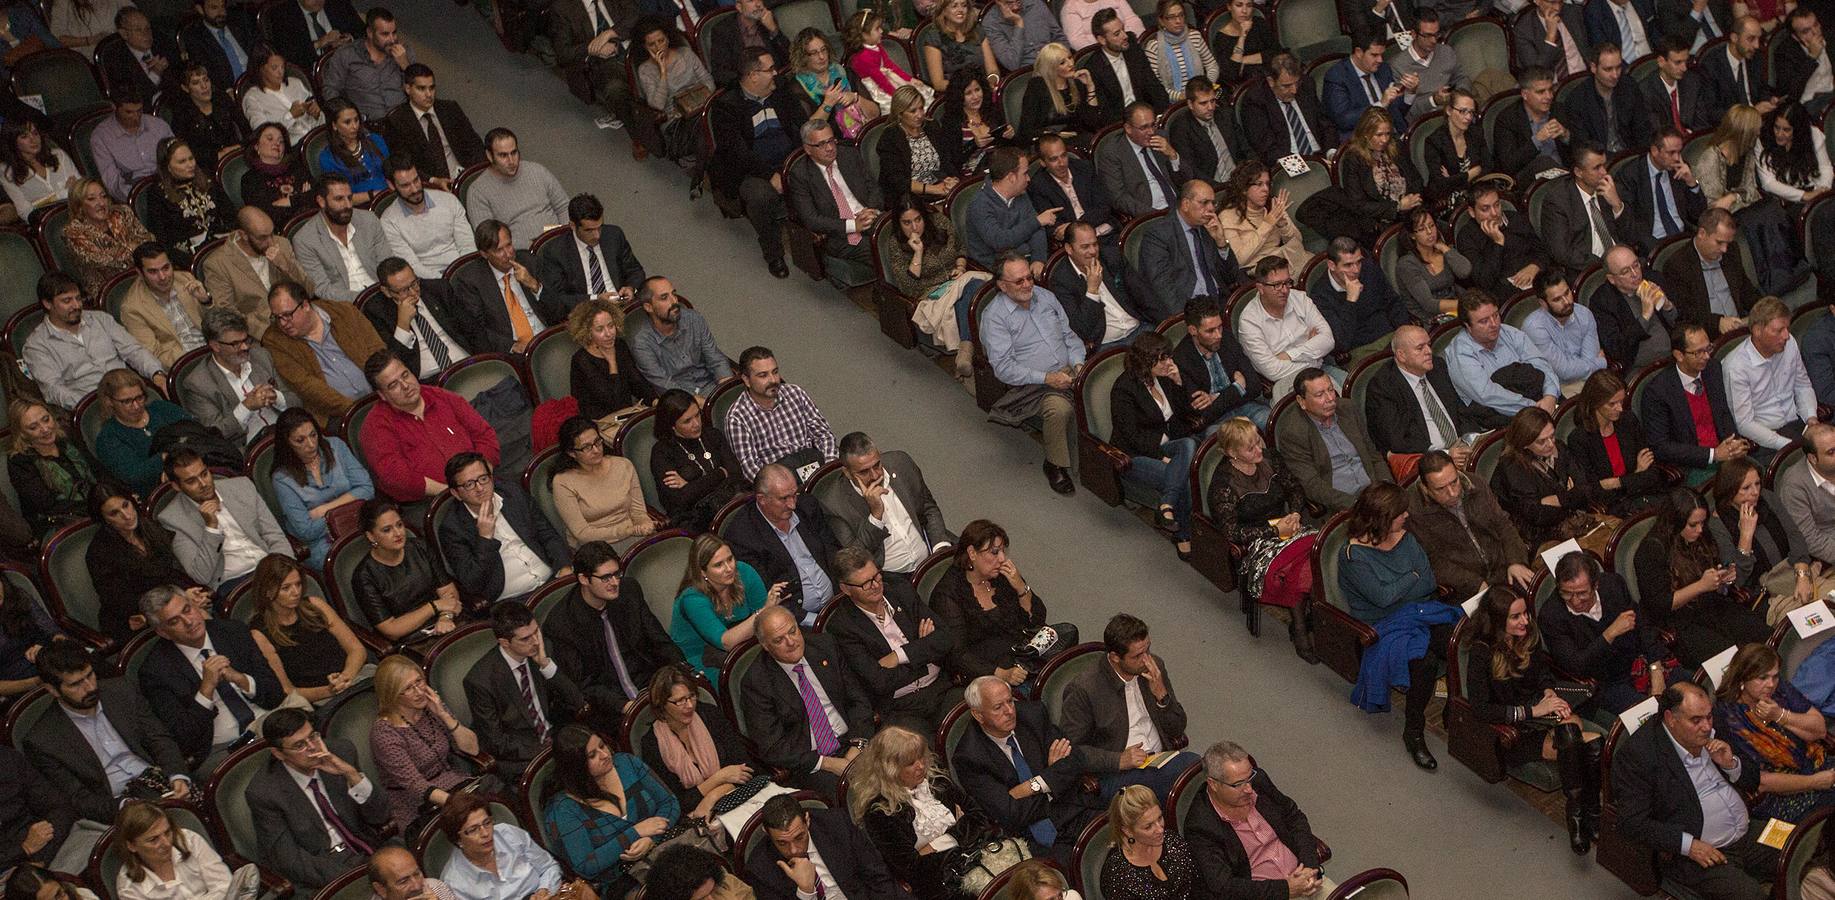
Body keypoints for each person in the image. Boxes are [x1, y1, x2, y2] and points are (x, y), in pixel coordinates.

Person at [1466, 587, 1604, 853]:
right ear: (1497, 621)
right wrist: (1532, 712)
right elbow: (1481, 709)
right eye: (1515, 617)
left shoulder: (1528, 635)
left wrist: (1549, 692)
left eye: (1525, 613)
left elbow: (1543, 673)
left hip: (1541, 713)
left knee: (1573, 737)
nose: (1525, 621)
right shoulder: (1481, 652)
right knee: (1589, 743)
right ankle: (1586, 815)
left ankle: (1581, 815)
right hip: (1513, 730)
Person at [1611, 682, 1774, 900]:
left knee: (1801, 844)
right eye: (1696, 720)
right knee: (1751, 895)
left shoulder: (1712, 725)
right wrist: (1689, 846)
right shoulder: (1640, 755)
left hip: (1746, 830)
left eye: (1708, 717)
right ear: (1671, 719)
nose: (1706, 727)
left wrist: (1731, 764)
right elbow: (1631, 822)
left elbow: (1753, 779)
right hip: (1701, 853)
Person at [1340, 481, 1459, 769]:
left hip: (1419, 611)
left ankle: (1455, 709)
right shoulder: (1354, 556)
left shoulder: (1405, 536)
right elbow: (1382, 599)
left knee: (1459, 639)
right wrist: (1412, 576)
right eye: (1400, 513)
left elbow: (1428, 580)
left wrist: (1407, 582)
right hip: (1384, 626)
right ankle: (1414, 732)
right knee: (1425, 663)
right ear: (1381, 518)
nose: (1406, 516)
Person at [27, 640, 192, 836]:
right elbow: (79, 799)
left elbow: (159, 739)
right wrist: (126, 806)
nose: (89, 687)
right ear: (53, 690)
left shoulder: (121, 691)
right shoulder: (42, 740)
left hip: (159, 781)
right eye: (76, 684)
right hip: (117, 807)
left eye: (90, 675)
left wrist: (177, 775)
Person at [952, 675, 1101, 865]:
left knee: (1125, 830)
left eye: (1010, 701)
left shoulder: (1033, 715)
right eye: (998, 707)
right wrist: (1052, 778)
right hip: (1030, 837)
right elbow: (1011, 814)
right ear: (978, 715)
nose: (1009, 711)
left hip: (1072, 810)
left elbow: (1075, 760)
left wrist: (1032, 786)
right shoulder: (970, 757)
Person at [246, 708, 389, 892]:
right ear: (278, 753)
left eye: (312, 736)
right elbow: (290, 861)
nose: (313, 747)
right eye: (299, 745)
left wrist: (352, 775)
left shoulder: (340, 752)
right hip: (321, 870)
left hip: (368, 848)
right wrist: (352, 877)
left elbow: (381, 816)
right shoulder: (264, 792)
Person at [740, 604, 875, 794]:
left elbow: (858, 700)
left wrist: (857, 746)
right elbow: (773, 747)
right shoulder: (757, 682)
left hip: (852, 740)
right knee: (858, 793)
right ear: (765, 646)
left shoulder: (824, 646)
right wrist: (828, 763)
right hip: (811, 763)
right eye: (779, 640)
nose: (791, 642)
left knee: (900, 766)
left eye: (793, 631)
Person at [981, 253, 1085, 494]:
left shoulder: (1046, 297)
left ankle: (1094, 462)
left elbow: (1069, 337)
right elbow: (1004, 368)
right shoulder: (994, 317)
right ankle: (1054, 463)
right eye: (1019, 281)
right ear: (1002, 286)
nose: (1028, 285)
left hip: (1069, 369)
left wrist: (1079, 364)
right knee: (1059, 409)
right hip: (1033, 383)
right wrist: (1048, 378)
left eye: (1029, 278)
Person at [1060, 614, 1194, 798]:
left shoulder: (1154, 668)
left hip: (1161, 759)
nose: (1147, 659)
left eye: (1148, 649)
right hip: (1117, 773)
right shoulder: (1084, 689)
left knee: (1202, 772)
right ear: (1115, 657)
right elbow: (1072, 751)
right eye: (1138, 656)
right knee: (1183, 782)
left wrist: (1162, 695)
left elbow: (1177, 727)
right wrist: (1119, 760)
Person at [540, 724, 679, 898]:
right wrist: (635, 832)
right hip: (623, 882)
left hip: (666, 850)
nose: (605, 755)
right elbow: (586, 865)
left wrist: (651, 838)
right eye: (592, 755)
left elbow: (670, 802)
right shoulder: (564, 808)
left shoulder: (627, 763)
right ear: (576, 766)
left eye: (602, 746)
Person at [1635, 488, 1772, 665]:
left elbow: (1713, 571)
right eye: (1693, 525)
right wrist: (1700, 586)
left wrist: (1722, 578)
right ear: (1675, 522)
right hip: (1682, 622)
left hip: (1712, 604)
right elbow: (1660, 604)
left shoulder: (1701, 534)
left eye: (1702, 523)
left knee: (1763, 637)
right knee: (1734, 664)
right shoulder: (1651, 550)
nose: (1700, 529)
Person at [825, 548, 956, 731]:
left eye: (877, 577)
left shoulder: (900, 591)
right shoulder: (843, 627)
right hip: (901, 708)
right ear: (846, 589)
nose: (876, 585)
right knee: (918, 754)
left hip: (941, 688)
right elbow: (879, 681)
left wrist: (898, 656)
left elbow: (945, 637)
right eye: (865, 584)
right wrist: (924, 653)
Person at [546, 540, 683, 714]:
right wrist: (623, 706)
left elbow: (659, 641)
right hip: (610, 706)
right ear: (583, 579)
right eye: (605, 577)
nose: (614, 582)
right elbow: (584, 685)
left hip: (652, 685)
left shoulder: (629, 591)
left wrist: (682, 672)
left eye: (617, 574)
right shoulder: (562, 624)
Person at [1182, 740, 1331, 898]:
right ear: (1213, 784)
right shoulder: (1200, 826)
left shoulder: (1258, 781)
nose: (1249, 789)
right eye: (1238, 784)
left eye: (1249, 777)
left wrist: (1309, 866)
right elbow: (1224, 886)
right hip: (1265, 894)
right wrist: (1286, 889)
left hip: (1306, 878)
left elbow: (1294, 817)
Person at [707, 49, 810, 279]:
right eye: (770, 69)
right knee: (759, 196)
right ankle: (773, 253)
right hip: (752, 171)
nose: (776, 73)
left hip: (790, 159)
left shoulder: (781, 88)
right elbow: (737, 154)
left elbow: (801, 125)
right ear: (753, 76)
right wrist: (770, 174)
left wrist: (791, 165)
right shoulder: (726, 107)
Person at [1208, 417, 1318, 627]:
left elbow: (1294, 487)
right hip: (1256, 543)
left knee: (1315, 555)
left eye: (1258, 441)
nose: (1259, 449)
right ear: (1233, 453)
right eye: (1251, 448)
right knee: (1301, 567)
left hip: (1289, 527)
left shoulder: (1270, 459)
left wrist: (1294, 513)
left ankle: (1303, 621)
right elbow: (1231, 532)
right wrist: (1273, 530)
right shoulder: (1224, 484)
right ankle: (1301, 625)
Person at [1538, 549, 1672, 717]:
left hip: (1640, 661)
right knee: (1655, 716)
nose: (1574, 601)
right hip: (1607, 683)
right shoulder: (1551, 616)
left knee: (1690, 692)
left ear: (1596, 585)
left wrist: (1655, 668)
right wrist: (1609, 634)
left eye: (1582, 593)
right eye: (1566, 593)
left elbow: (1642, 625)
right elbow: (1577, 665)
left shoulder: (1613, 585)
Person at [847, 726, 974, 900]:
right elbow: (914, 868)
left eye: (921, 757)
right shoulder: (880, 813)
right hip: (939, 886)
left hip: (974, 857)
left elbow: (978, 815)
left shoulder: (937, 779)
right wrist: (960, 830)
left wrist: (932, 846)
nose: (921, 766)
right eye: (910, 763)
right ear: (890, 769)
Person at [931, 520, 1065, 685]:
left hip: (1021, 648)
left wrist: (1021, 588)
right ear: (972, 553)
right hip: (987, 665)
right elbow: (958, 655)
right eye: (994, 552)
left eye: (1003, 551)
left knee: (1065, 633)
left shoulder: (1003, 576)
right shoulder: (948, 595)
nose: (1002, 558)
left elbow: (1036, 621)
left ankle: (1031, 670)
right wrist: (1003, 674)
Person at [1714, 643, 1835, 824]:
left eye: (1775, 676)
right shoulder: (1725, 718)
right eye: (1762, 678)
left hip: (1819, 764)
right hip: (1781, 795)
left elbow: (1819, 730)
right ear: (1742, 679)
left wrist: (1780, 715)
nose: (1770, 684)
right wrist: (1815, 781)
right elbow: (1761, 781)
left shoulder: (1779, 691)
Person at [464, 602, 586, 779]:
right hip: (520, 756)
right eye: (525, 638)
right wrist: (547, 749)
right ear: (504, 642)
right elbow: (496, 742)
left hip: (556, 737)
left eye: (536, 632)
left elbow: (577, 702)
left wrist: (545, 665)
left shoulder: (544, 649)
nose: (536, 642)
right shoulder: (480, 681)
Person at [819, 432, 955, 587]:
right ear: (847, 473)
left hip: (931, 555)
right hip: (890, 580)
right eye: (863, 472)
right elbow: (854, 560)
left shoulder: (901, 463)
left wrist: (940, 546)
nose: (875, 475)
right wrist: (875, 516)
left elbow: (927, 507)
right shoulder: (833, 504)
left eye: (877, 465)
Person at [369, 654, 485, 835]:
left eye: (419, 682)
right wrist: (461, 805)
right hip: (417, 806)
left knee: (498, 794)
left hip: (455, 783)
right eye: (408, 688)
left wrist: (443, 714)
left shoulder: (431, 707)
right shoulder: (384, 734)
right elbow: (417, 786)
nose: (419, 691)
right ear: (392, 695)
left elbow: (472, 748)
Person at [359, 353, 498, 502]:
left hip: (484, 485)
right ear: (382, 395)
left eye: (405, 375)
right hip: (431, 503)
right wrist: (454, 494)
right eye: (394, 385)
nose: (405, 386)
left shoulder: (442, 397)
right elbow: (395, 476)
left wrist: (482, 480)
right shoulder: (375, 427)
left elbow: (485, 436)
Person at [438, 453, 571, 606]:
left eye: (483, 479)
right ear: (456, 493)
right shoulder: (452, 529)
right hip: (513, 602)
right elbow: (473, 583)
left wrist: (564, 567)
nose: (480, 488)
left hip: (553, 580)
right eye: (469, 484)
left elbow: (546, 533)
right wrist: (485, 538)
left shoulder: (513, 494)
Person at [1366, 323, 1502, 470]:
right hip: (1428, 461)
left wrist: (1468, 440)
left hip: (1461, 448)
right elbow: (1398, 441)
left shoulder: (1437, 367)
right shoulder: (1383, 386)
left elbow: (1460, 409)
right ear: (1401, 355)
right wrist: (1445, 454)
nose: (1429, 351)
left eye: (1429, 345)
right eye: (1420, 348)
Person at [25, 273, 166, 411]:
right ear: (47, 303)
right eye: (67, 301)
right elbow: (53, 390)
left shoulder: (101, 319)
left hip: (131, 393)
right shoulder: (37, 345)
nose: (76, 305)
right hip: (92, 405)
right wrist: (89, 406)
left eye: (78, 298)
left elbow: (134, 351)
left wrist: (156, 373)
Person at [1406, 449, 1535, 600]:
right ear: (1425, 488)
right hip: (1464, 586)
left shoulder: (1476, 484)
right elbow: (1432, 562)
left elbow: (1503, 525)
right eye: (1441, 489)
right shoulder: (1414, 512)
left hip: (1503, 567)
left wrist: (1516, 561)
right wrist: (1474, 583)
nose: (1452, 493)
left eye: (1454, 482)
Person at [158, 449, 294, 592]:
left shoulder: (241, 486)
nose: (203, 484)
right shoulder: (172, 519)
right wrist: (211, 528)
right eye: (191, 481)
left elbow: (274, 535)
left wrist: (285, 569)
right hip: (234, 583)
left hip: (272, 567)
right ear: (176, 486)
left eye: (204, 474)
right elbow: (201, 576)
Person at [1109, 334, 1197, 554]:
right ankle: (1183, 535)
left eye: (1168, 356)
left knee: (1188, 443)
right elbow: (1131, 435)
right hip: (1134, 454)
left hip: (1169, 444)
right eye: (1161, 359)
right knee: (1182, 479)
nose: (1169, 363)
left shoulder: (1165, 378)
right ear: (1145, 361)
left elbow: (1186, 414)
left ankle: (1166, 505)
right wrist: (1161, 456)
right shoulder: (1124, 389)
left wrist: (1178, 383)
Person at [723, 464, 841, 626]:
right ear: (762, 499)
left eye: (794, 495)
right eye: (784, 498)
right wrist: (818, 622)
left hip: (837, 603)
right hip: (794, 620)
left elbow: (833, 552)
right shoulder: (742, 537)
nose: (792, 505)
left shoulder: (806, 507)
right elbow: (766, 595)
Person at [637, 664, 758, 819]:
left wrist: (712, 796)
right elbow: (675, 803)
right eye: (679, 701)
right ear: (662, 704)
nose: (689, 706)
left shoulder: (709, 714)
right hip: (696, 816)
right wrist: (719, 777)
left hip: (736, 796)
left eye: (691, 696)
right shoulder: (651, 744)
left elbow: (746, 768)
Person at [1710, 455, 1829, 613]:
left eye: (1757, 484)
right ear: (1730, 491)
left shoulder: (1767, 498)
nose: (1755, 492)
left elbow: (1795, 535)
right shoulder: (1718, 524)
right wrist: (1746, 536)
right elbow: (1737, 578)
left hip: (1796, 572)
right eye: (1746, 488)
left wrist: (1802, 574)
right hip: (1766, 594)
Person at [247, 554, 367, 706]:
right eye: (286, 588)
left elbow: (356, 649)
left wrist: (345, 677)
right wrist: (331, 690)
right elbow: (287, 690)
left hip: (353, 676)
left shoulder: (315, 605)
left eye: (298, 584)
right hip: (319, 698)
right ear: (268, 591)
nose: (296, 592)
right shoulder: (260, 633)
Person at [85, 483, 199, 642]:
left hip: (168, 603)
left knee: (200, 613)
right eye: (114, 513)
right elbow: (120, 601)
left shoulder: (148, 527)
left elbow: (169, 572)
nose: (127, 515)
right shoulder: (100, 553)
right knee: (193, 623)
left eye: (126, 505)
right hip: (133, 618)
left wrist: (189, 591)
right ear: (105, 520)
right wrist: (179, 598)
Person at [744, 793, 913, 900]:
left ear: (807, 820)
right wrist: (805, 891)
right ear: (766, 832)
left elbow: (877, 874)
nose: (794, 850)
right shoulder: (760, 868)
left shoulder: (836, 824)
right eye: (782, 843)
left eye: (799, 837)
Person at [1639, 322, 1753, 479]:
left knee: (1755, 476)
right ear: (1679, 355)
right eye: (1699, 352)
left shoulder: (1713, 369)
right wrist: (1714, 454)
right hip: (1692, 466)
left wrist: (1734, 442)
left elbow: (1723, 413)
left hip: (1725, 455)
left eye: (1708, 348)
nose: (1707, 356)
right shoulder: (1657, 391)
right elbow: (1661, 446)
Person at [884, 197, 983, 372]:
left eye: (918, 220)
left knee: (979, 289)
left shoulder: (939, 222)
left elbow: (960, 248)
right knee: (974, 289)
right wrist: (918, 253)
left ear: (924, 217)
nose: (914, 227)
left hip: (957, 280)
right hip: (930, 295)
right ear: (898, 224)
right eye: (907, 223)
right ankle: (968, 351)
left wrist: (960, 267)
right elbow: (909, 288)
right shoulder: (895, 244)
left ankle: (967, 352)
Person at [784, 119, 882, 288]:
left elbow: (873, 187)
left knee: (905, 235)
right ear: (808, 149)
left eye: (831, 141)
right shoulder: (800, 175)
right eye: (821, 144)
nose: (829, 148)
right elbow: (811, 219)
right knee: (881, 250)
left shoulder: (849, 155)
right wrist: (853, 225)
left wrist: (870, 210)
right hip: (840, 235)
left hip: (870, 216)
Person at [1277, 367, 1390, 513]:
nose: (1330, 399)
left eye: (1330, 390)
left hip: (1375, 491)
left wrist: (1386, 487)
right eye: (1320, 395)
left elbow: (1373, 455)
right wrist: (1357, 505)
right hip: (1342, 505)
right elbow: (1312, 485)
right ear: (1302, 401)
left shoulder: (1347, 409)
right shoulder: (1293, 433)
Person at [350, 498, 462, 643]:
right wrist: (434, 607)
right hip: (412, 640)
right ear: (371, 536)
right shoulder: (364, 576)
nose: (398, 533)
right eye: (387, 530)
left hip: (447, 621)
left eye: (399, 525)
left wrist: (445, 616)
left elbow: (449, 592)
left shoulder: (421, 547)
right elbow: (391, 630)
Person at [269, 407, 369, 567]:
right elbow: (306, 530)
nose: (311, 444)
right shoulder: (282, 479)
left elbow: (367, 489)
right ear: (287, 444)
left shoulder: (336, 446)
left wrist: (323, 510)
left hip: (360, 523)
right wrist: (350, 503)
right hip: (322, 542)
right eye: (300, 440)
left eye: (313, 435)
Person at [1489, 406, 1600, 550]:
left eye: (1552, 436)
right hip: (1539, 539)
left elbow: (1586, 489)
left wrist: (1556, 500)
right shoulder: (1511, 467)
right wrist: (1570, 497)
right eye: (1541, 441)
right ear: (1525, 443)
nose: (1551, 444)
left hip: (1576, 522)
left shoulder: (1559, 448)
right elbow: (1537, 516)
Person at [450, 218, 566, 354]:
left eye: (509, 245)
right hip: (511, 353)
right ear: (484, 254)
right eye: (499, 250)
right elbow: (476, 330)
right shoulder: (470, 280)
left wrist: (534, 285)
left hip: (547, 339)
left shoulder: (529, 262)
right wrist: (512, 346)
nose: (508, 253)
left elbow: (559, 310)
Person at [668, 534, 771, 688]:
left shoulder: (744, 572)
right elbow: (726, 642)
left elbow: (768, 620)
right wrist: (764, 611)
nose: (729, 568)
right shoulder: (692, 599)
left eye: (730, 559)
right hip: (702, 661)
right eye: (718, 565)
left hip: (745, 644)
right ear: (702, 572)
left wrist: (767, 612)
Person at [198, 209, 314, 342]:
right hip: (260, 335)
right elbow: (227, 315)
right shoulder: (217, 264)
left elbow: (309, 292)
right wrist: (268, 332)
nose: (271, 242)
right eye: (262, 237)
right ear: (243, 235)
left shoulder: (282, 244)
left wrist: (287, 266)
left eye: (272, 234)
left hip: (299, 320)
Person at [723, 347, 838, 481]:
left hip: (813, 467)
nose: (773, 380)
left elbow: (823, 435)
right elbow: (751, 469)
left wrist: (828, 470)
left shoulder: (796, 393)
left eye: (775, 372)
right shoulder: (737, 417)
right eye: (763, 375)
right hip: (780, 483)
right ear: (747, 380)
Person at [1444, 290, 1561, 418]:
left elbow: (1541, 363)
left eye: (1495, 315)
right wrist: (1534, 407)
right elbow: (1487, 395)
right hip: (1497, 413)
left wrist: (1550, 396)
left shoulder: (1509, 333)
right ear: (1468, 326)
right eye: (1484, 321)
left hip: (1537, 398)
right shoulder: (1461, 354)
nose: (1494, 324)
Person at [1724, 296, 1816, 454]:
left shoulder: (1790, 343)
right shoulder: (1736, 366)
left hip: (1797, 422)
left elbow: (1802, 385)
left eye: (1787, 328)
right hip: (1764, 437)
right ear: (1757, 330)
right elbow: (1744, 423)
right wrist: (1788, 445)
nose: (1786, 335)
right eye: (1779, 330)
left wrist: (1812, 419)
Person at [1236, 257, 1336, 401]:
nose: (1284, 290)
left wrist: (1290, 355)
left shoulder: (1300, 299)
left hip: (1320, 370)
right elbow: (1273, 371)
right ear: (1260, 288)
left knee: (1347, 391)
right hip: (1285, 382)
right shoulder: (1249, 321)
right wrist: (1314, 355)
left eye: (1287, 283)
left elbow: (1328, 340)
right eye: (1277, 285)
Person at [1567, 370, 1665, 515]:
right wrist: (1636, 475)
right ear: (1595, 403)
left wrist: (1616, 482)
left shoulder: (1628, 421)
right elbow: (1594, 492)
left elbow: (1653, 474)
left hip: (1646, 498)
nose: (1620, 408)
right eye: (1612, 404)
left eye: (1621, 401)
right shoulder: (1580, 439)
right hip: (1615, 511)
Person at [649, 390, 746, 532]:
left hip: (729, 506)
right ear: (672, 425)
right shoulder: (662, 452)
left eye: (697, 415)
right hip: (694, 522)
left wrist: (691, 485)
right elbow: (681, 499)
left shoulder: (713, 435)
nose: (696, 424)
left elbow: (736, 473)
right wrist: (720, 473)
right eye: (687, 421)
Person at [551, 416, 653, 550]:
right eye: (586, 447)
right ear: (571, 453)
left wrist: (645, 523)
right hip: (595, 546)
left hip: (634, 533)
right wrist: (627, 531)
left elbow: (638, 512)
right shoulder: (562, 482)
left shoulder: (622, 465)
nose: (596, 450)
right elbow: (582, 533)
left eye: (597, 442)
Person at [365, 257, 473, 381]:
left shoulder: (438, 289)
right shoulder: (377, 312)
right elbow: (392, 363)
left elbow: (472, 329)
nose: (413, 292)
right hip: (429, 381)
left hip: (465, 364)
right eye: (404, 290)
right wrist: (403, 324)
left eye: (414, 283)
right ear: (387, 292)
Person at [111, 800, 243, 900]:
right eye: (153, 840)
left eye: (167, 832)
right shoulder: (129, 888)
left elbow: (225, 886)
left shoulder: (189, 840)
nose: (167, 843)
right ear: (131, 846)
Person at [382, 65, 486, 190]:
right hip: (430, 185)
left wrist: (474, 173)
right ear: (408, 89)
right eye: (421, 88)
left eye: (432, 88)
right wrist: (433, 180)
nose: (429, 94)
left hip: (466, 176)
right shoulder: (397, 121)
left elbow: (474, 144)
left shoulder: (450, 109)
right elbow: (403, 164)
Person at [463, 129, 571, 250]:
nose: (511, 161)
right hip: (520, 254)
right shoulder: (478, 191)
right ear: (489, 155)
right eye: (503, 155)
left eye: (514, 153)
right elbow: (489, 239)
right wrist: (533, 245)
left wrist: (562, 235)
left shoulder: (537, 171)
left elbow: (564, 207)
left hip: (559, 241)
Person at [536, 193, 645, 310]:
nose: (597, 235)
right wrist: (595, 299)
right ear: (573, 225)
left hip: (621, 306)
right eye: (589, 230)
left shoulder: (613, 235)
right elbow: (558, 299)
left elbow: (636, 271)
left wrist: (630, 287)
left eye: (599, 227)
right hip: (586, 312)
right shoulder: (555, 251)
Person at [1170, 297, 1266, 432]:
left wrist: (1215, 398)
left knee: (1267, 419)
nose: (1218, 335)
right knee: (1225, 440)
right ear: (1193, 330)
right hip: (1216, 423)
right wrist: (1237, 388)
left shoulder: (1226, 337)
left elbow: (1255, 386)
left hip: (1245, 406)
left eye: (1219, 327)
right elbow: (1202, 415)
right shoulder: (1182, 359)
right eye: (1210, 331)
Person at [544, 0, 636, 138]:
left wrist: (610, 33)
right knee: (615, 89)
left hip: (632, 45)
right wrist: (591, 48)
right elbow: (563, 53)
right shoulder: (562, 8)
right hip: (602, 62)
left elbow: (635, 14)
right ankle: (637, 135)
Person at [91, 369, 189, 497]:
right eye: (127, 401)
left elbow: (196, 432)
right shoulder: (108, 438)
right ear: (109, 401)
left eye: (139, 397)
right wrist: (167, 458)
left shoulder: (161, 409)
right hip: (159, 495)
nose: (136, 406)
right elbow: (135, 475)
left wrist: (169, 461)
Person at [6, 399, 98, 536]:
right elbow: (48, 505)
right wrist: (97, 506)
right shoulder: (19, 462)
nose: (45, 429)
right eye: (33, 427)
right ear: (22, 433)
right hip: (58, 523)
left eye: (46, 419)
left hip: (96, 508)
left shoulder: (67, 437)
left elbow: (98, 471)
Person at [628, 277, 733, 396]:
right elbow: (663, 384)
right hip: (680, 400)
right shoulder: (642, 343)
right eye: (664, 298)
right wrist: (698, 402)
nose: (674, 302)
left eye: (674, 294)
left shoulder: (693, 319)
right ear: (649, 307)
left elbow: (715, 357)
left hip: (712, 385)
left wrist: (726, 388)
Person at [1664, 209, 1758, 342]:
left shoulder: (1731, 251)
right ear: (1702, 233)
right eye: (1719, 242)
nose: (1724, 249)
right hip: (1709, 339)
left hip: (1741, 329)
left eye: (1728, 243)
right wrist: (1717, 322)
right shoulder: (1678, 265)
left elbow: (1745, 290)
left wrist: (1763, 307)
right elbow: (1685, 314)